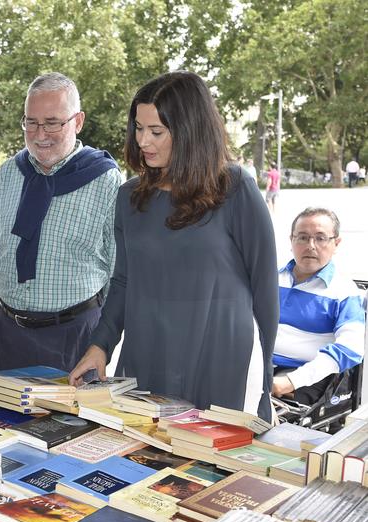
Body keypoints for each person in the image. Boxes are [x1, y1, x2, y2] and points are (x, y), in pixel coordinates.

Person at [69, 71, 279, 421]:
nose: (142, 141)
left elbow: (265, 288)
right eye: (138, 128)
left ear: (189, 131)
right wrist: (100, 345)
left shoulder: (236, 188)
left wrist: (266, 375)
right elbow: (122, 281)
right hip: (148, 355)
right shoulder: (128, 197)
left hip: (221, 360)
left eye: (156, 132)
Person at [0, 72, 121, 373]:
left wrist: (103, 342)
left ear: (78, 121)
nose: (39, 134)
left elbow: (118, 273)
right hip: (8, 334)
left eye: (52, 123)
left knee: (74, 423)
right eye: (31, 122)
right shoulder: (8, 174)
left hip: (75, 337)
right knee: (4, 421)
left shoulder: (105, 180)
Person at [272, 208, 365, 406]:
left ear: (336, 243)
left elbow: (351, 348)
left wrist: (291, 381)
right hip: (259, 366)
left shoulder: (344, 292)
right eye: (303, 238)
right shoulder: (269, 279)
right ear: (292, 240)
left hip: (306, 375)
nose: (311, 246)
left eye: (321, 238)